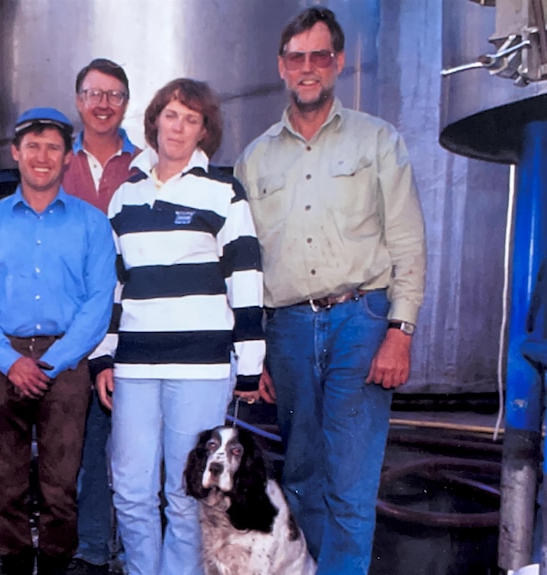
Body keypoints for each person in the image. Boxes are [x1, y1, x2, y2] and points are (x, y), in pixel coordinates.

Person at [234, 7, 427, 575]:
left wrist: (401, 330)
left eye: (320, 56)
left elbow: (408, 242)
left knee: (350, 478)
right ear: (282, 67)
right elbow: (245, 264)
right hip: (287, 330)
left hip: (360, 321)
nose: (308, 68)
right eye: (297, 58)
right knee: (300, 474)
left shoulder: (378, 141)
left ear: (339, 63)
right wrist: (256, 351)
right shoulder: (255, 158)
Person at [94, 78, 265, 575]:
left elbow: (247, 278)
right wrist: (104, 355)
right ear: (154, 121)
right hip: (134, 367)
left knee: (188, 491)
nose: (179, 126)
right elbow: (115, 287)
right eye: (172, 115)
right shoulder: (124, 197)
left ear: (204, 131)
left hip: (202, 368)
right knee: (129, 488)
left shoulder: (224, 192)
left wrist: (250, 364)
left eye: (192, 119)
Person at [0, 107, 116, 575]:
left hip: (66, 364)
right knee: (2, 482)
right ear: (16, 152)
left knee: (60, 482)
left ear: (68, 157)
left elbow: (98, 303)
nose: (42, 157)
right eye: (33, 146)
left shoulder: (91, 224)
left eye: (53, 147)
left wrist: (54, 362)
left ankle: (53, 566)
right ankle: (12, 564)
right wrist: (9, 361)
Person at [62, 58, 140, 575]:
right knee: (83, 444)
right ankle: (91, 548)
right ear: (79, 101)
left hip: (137, 322)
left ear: (127, 103)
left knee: (138, 447)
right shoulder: (55, 165)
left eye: (114, 94)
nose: (103, 103)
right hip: (73, 328)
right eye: (94, 93)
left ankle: (141, 552)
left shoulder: (148, 164)